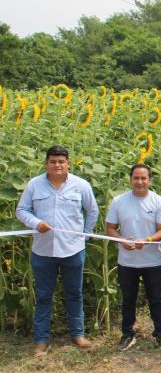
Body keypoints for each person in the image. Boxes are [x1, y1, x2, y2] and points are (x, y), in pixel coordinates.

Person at [16, 145, 99, 356]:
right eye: (53, 161)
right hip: (42, 252)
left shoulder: (81, 185)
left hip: (73, 249)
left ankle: (77, 334)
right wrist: (36, 223)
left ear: (68, 163)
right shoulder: (34, 185)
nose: (57, 165)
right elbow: (22, 210)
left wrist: (85, 235)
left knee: (74, 293)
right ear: (46, 163)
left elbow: (92, 211)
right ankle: (42, 339)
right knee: (43, 295)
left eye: (61, 161)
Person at [105, 164, 161, 351]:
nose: (140, 182)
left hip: (152, 261)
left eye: (143, 178)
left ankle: (160, 333)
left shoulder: (159, 202)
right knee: (128, 299)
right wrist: (121, 239)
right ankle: (127, 333)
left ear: (150, 180)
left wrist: (148, 240)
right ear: (130, 179)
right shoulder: (119, 201)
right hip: (127, 261)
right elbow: (110, 228)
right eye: (136, 178)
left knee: (156, 299)